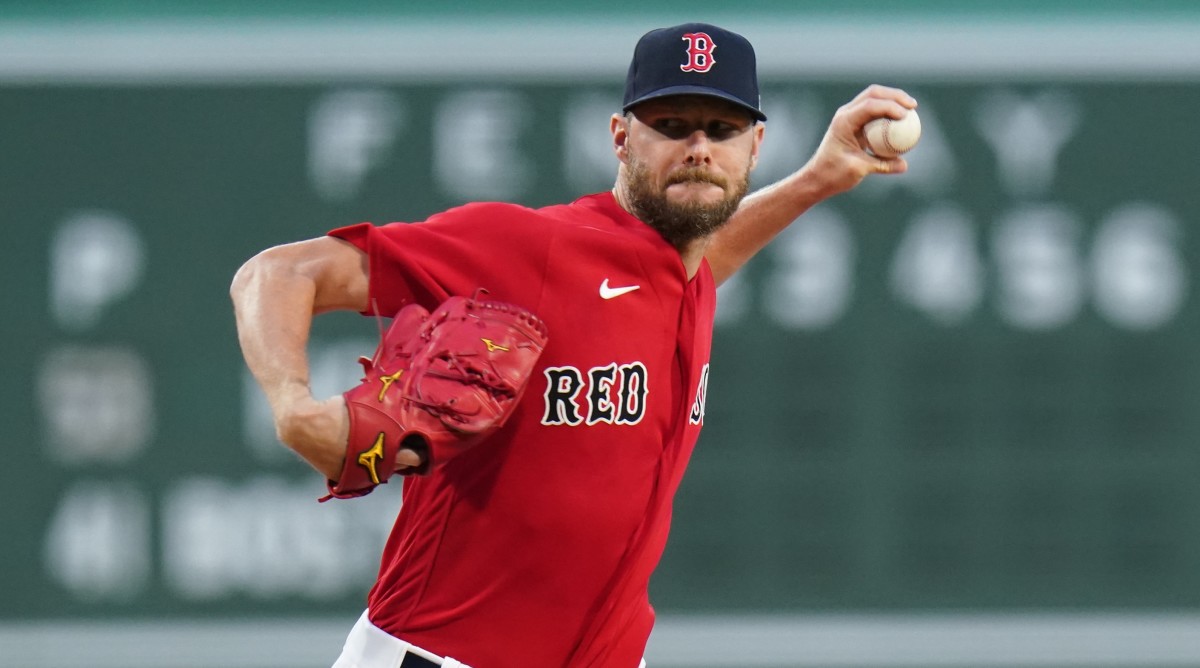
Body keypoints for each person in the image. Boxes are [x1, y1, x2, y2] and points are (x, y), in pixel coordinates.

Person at [231, 21, 916, 668]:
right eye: (670, 126)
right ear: (621, 137)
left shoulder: (686, 274)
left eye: (722, 128)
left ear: (755, 146)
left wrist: (820, 179)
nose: (699, 148)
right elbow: (278, 272)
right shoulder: (533, 249)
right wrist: (292, 405)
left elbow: (701, 254)